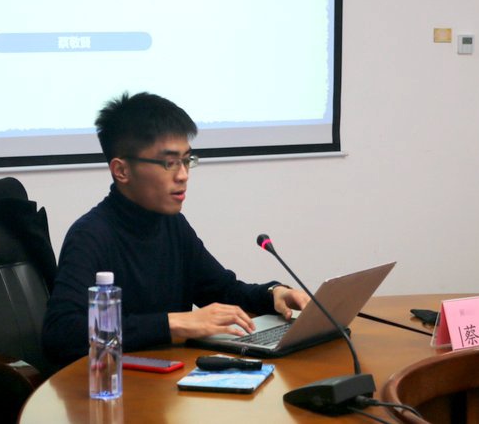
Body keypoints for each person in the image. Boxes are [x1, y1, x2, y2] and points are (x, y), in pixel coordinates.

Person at [42, 91, 309, 366]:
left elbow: (223, 290)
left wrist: (273, 293)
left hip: (170, 378)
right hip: (117, 382)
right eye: (169, 163)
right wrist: (174, 324)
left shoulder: (172, 225)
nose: (183, 175)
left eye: (187, 160)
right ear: (121, 171)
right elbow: (61, 334)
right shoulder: (90, 235)